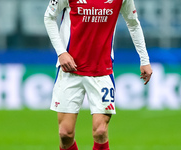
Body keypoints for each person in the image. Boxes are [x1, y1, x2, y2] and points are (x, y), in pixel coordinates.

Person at [44, 0, 152, 149]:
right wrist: (61, 52)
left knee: (100, 131)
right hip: (69, 71)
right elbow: (49, 17)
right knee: (65, 134)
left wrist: (144, 59)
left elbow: (133, 23)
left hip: (101, 72)